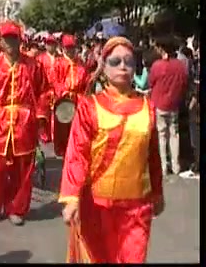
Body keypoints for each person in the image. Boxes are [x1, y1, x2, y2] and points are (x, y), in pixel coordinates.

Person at [59, 36, 164, 263]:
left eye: (128, 61)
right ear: (104, 67)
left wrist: (158, 192)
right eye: (115, 61)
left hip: (137, 208)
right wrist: (72, 197)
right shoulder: (90, 107)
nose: (123, 66)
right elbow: (77, 153)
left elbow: (153, 156)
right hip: (97, 206)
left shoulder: (148, 107)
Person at [0, 21, 48, 226]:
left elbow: (44, 91)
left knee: (23, 170)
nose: (9, 43)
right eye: (5, 38)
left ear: (20, 40)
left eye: (13, 38)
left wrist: (40, 115)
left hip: (24, 123)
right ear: (0, 41)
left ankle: (17, 208)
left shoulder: (33, 65)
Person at [149, 35, 189, 177]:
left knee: (162, 135)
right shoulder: (180, 66)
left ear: (161, 49)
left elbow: (151, 83)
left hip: (159, 104)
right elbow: (185, 83)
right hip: (174, 104)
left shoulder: (157, 66)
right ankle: (176, 166)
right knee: (174, 134)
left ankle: (163, 167)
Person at [52, 34, 90, 158]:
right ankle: (63, 151)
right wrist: (62, 92)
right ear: (63, 48)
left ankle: (75, 149)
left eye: (72, 47)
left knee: (77, 127)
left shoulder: (81, 64)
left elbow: (86, 84)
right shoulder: (59, 63)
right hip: (63, 100)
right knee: (62, 128)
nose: (70, 50)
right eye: (68, 47)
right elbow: (54, 81)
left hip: (78, 99)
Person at [36, 34, 61, 144]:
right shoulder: (40, 58)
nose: (51, 46)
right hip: (44, 89)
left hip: (57, 89)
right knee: (43, 114)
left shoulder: (60, 58)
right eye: (48, 44)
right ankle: (44, 134)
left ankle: (55, 134)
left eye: (53, 44)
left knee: (55, 113)